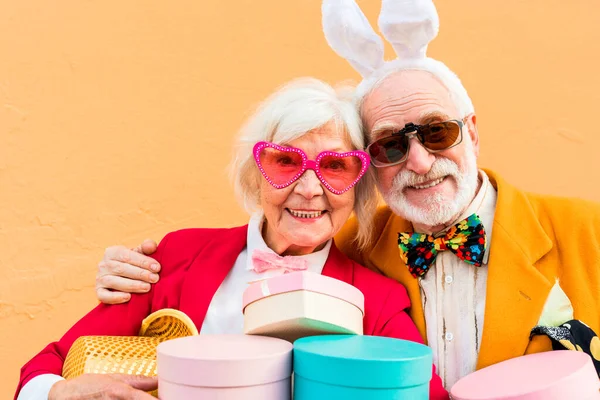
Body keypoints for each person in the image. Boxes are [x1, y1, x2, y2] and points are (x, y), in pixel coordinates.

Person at [95, 0, 600, 390]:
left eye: (438, 133)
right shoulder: (360, 247)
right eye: (391, 145)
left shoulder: (586, 230)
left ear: (472, 130)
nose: (419, 163)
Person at [15, 78, 448, 399]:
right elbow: (43, 367)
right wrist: (59, 394)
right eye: (285, 162)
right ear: (254, 173)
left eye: (335, 167)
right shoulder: (176, 256)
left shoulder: (377, 300)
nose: (310, 189)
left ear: (359, 186)